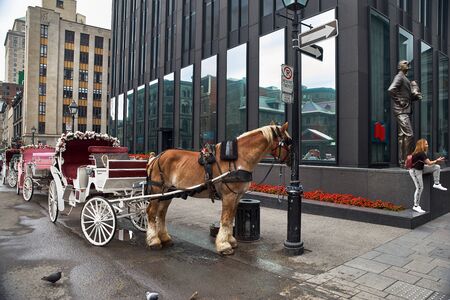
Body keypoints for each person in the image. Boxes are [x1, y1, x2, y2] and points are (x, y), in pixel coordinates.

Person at [388, 60, 422, 167]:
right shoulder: (399, 77)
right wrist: (399, 101)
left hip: (405, 110)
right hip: (401, 110)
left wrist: (415, 96)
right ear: (399, 66)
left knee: (402, 137)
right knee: (409, 134)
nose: (408, 64)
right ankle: (408, 161)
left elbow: (408, 96)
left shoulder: (406, 79)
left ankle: (403, 162)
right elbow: (391, 89)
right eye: (405, 63)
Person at [408, 139, 447, 213]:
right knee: (419, 188)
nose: (427, 145)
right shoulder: (421, 153)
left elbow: (425, 163)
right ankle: (416, 206)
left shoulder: (420, 153)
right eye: (426, 144)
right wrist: (437, 160)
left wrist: (435, 162)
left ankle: (436, 183)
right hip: (415, 171)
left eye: (427, 144)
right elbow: (429, 163)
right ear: (422, 145)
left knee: (436, 167)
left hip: (421, 168)